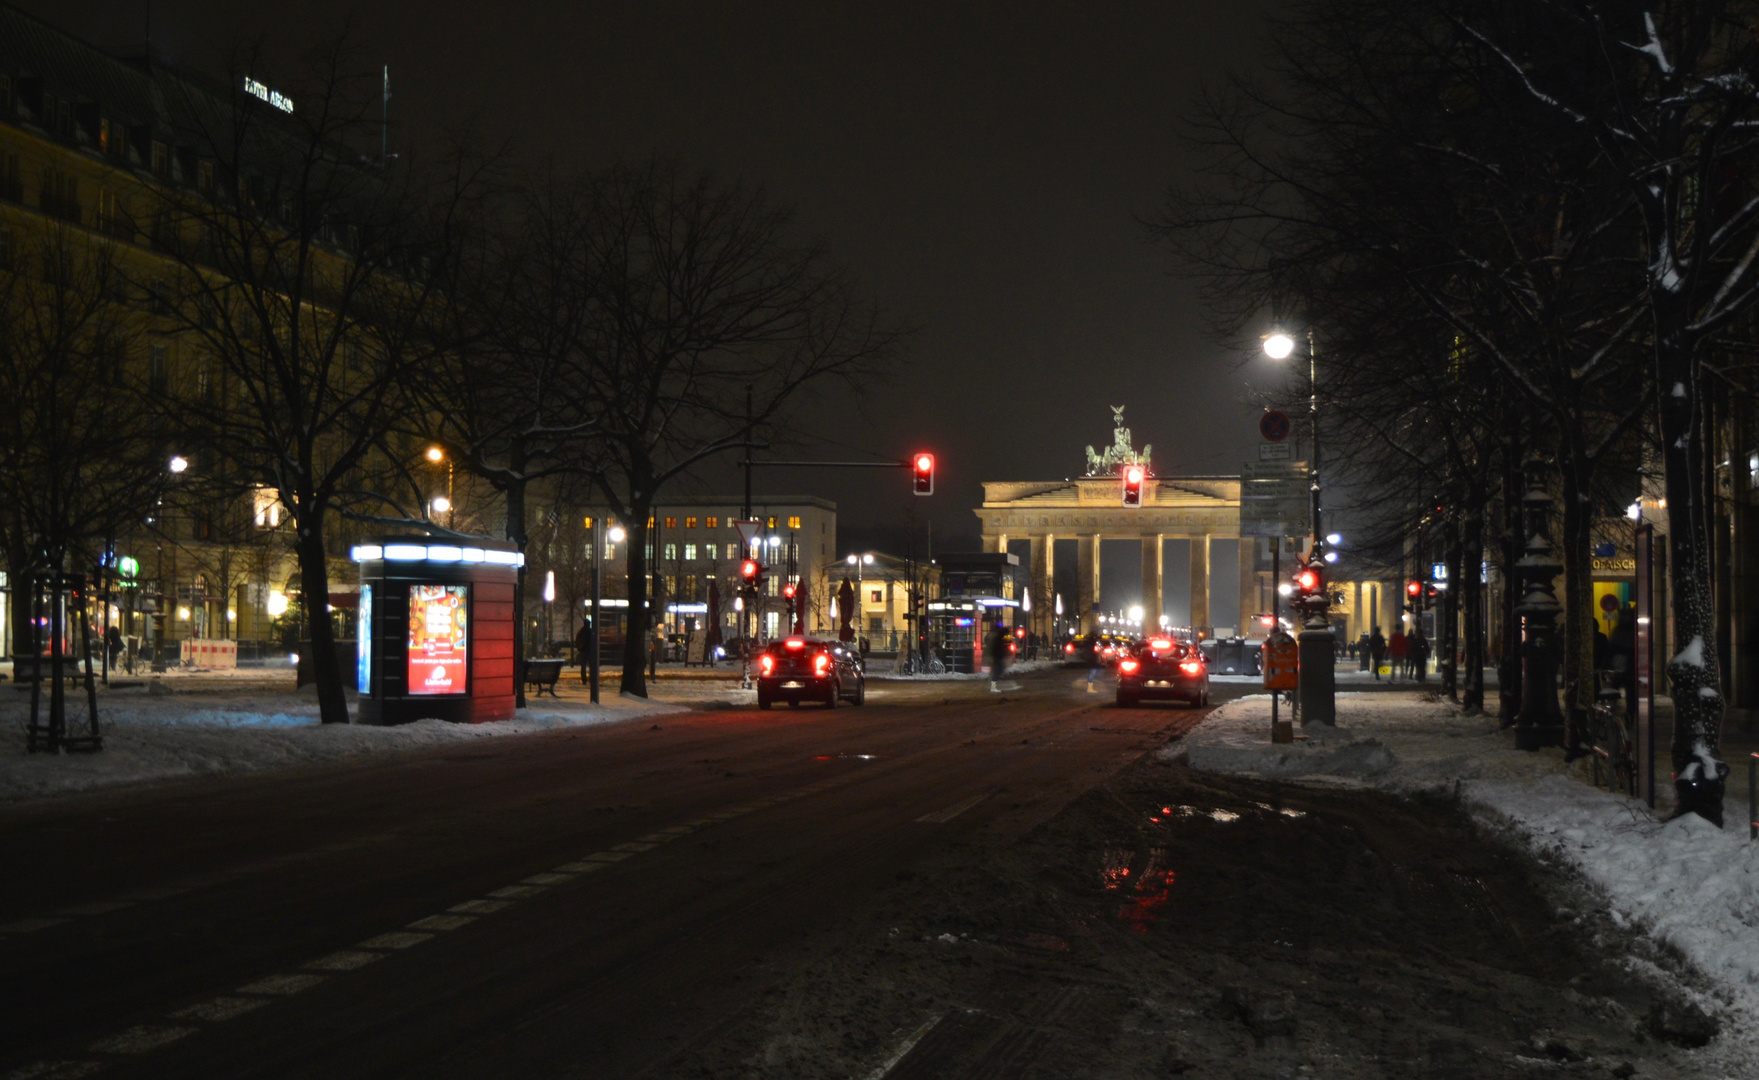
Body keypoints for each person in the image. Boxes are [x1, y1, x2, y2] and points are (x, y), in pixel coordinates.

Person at [985, 620, 1008, 691]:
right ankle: (993, 687)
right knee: (997, 670)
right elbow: (997, 648)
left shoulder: (992, 636)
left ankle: (992, 685)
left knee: (996, 670)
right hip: (996, 657)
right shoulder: (998, 636)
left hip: (994, 656)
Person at [575, 619, 594, 684]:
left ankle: (584, 680)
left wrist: (580, 649)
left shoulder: (581, 632)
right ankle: (591, 679)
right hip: (589, 651)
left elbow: (577, 641)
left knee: (583, 666)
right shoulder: (590, 631)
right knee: (591, 666)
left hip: (583, 651)